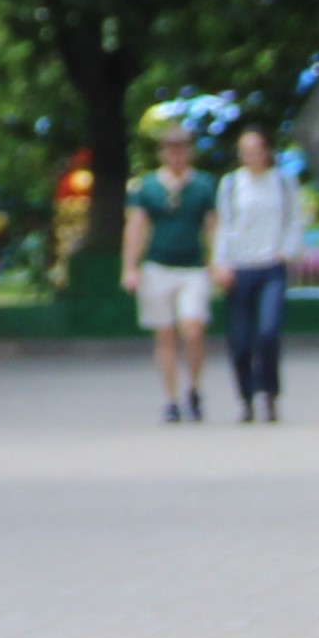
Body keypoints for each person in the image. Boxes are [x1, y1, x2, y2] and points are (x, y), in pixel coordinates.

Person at [122, 122, 220, 422]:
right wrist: (130, 267)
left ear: (188, 153)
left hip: (192, 267)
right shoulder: (148, 187)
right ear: (163, 153)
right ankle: (171, 398)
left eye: (182, 150)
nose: (177, 156)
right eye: (171, 150)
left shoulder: (202, 185)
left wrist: (216, 261)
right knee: (164, 334)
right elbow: (136, 227)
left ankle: (194, 387)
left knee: (192, 329)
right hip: (157, 266)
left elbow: (213, 226)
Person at [214, 124, 301, 423]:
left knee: (268, 332)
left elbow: (294, 219)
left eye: (256, 150)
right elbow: (224, 226)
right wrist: (221, 262)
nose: (252, 156)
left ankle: (270, 392)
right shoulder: (231, 184)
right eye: (246, 151)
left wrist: (286, 251)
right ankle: (246, 397)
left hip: (271, 266)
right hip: (240, 267)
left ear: (267, 152)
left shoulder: (282, 183)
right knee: (240, 342)